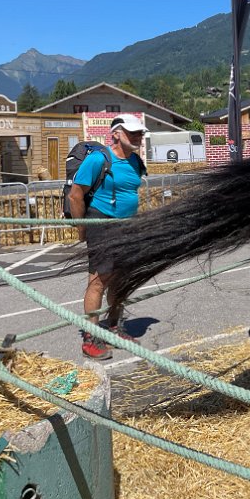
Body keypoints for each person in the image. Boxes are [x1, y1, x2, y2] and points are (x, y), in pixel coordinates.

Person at [69, 114, 147, 359]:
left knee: (121, 280)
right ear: (115, 134)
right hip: (102, 223)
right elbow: (75, 195)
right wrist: (83, 228)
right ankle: (90, 338)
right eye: (132, 132)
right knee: (98, 281)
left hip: (127, 226)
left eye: (140, 133)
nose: (138, 136)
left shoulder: (135, 161)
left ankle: (114, 328)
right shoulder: (98, 159)